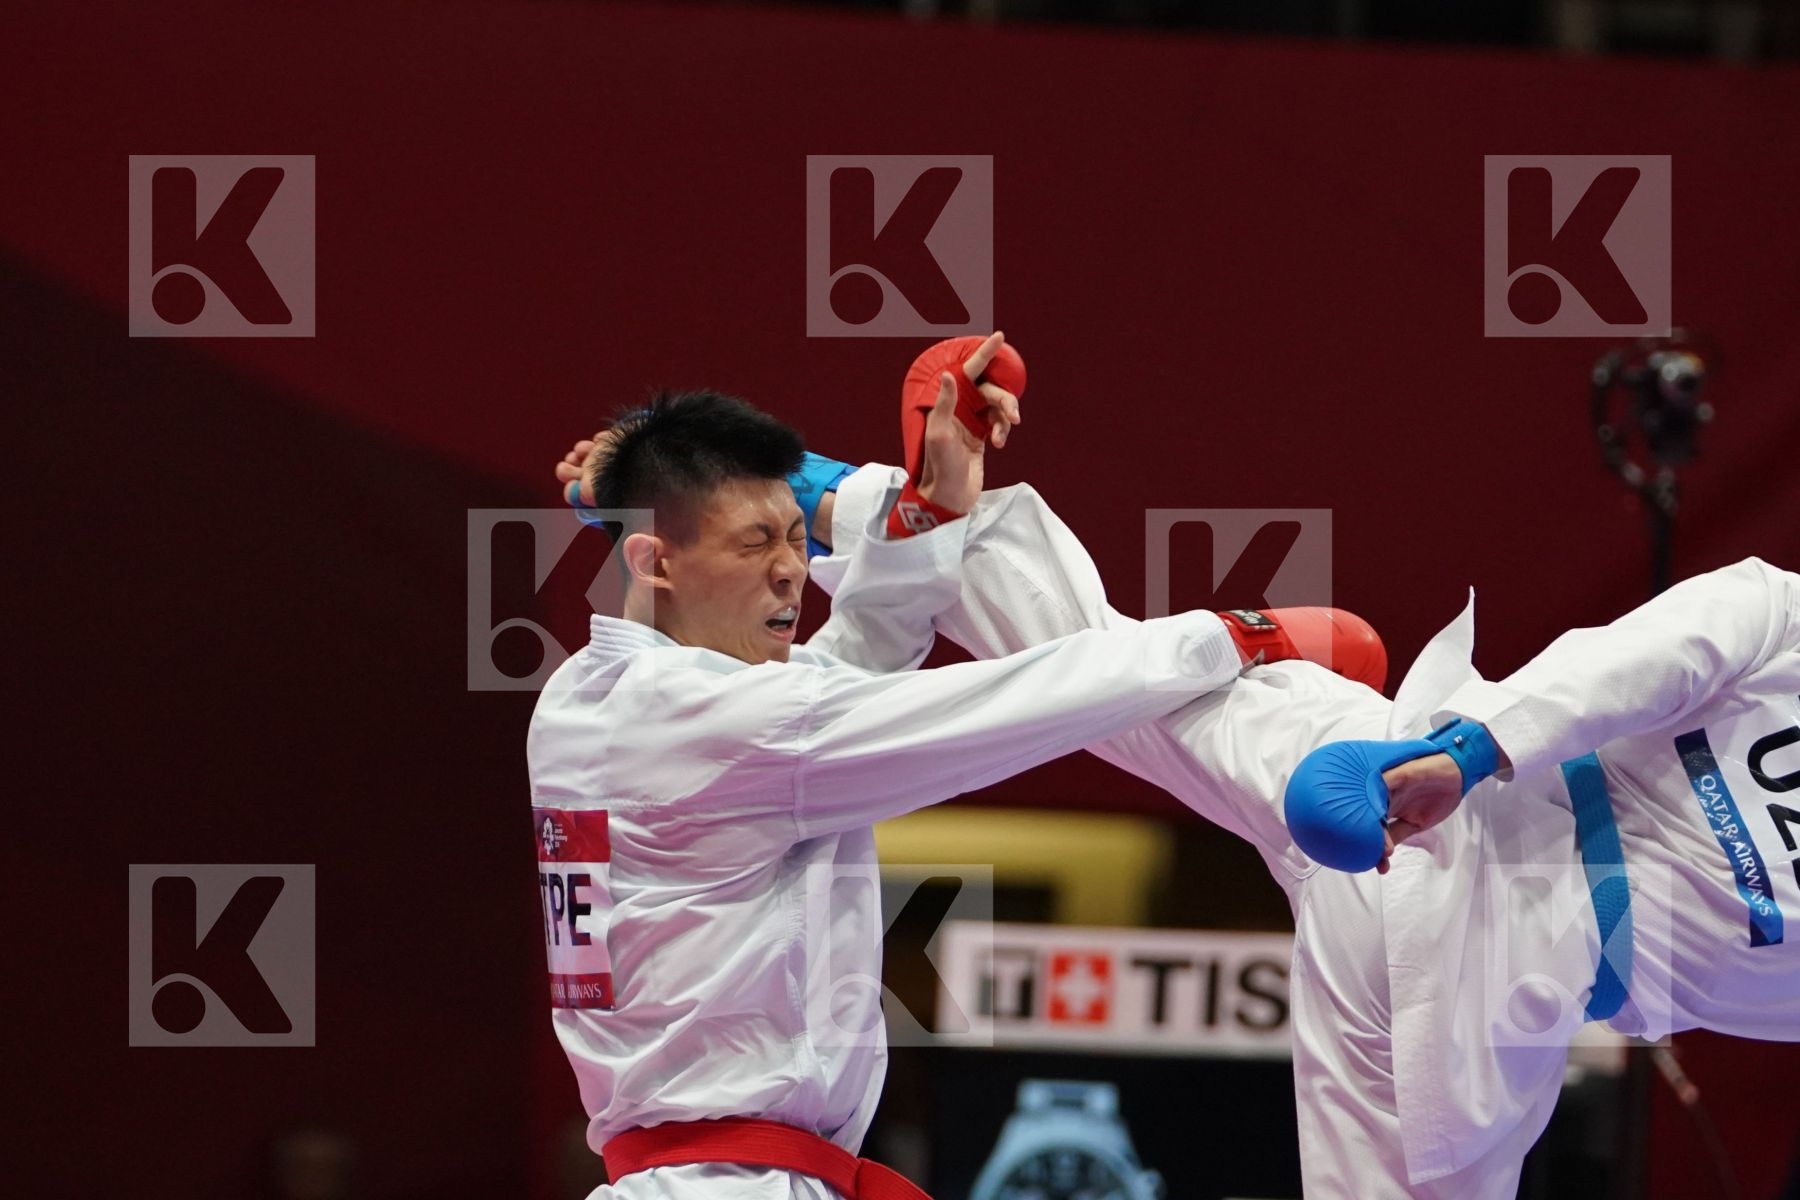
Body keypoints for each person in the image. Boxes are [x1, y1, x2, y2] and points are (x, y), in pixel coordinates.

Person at [794, 454, 1798, 1198]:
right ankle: (822, 495)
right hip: (1420, 797)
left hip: (1469, 957)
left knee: (1114, 667)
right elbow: (1693, 637)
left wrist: (1466, 751)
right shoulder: (1785, 617)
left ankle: (833, 496)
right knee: (1116, 674)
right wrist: (1469, 753)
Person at [528, 351, 1263, 1199]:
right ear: (658, 564)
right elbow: (994, 711)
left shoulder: (587, 700)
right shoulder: (712, 722)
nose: (792, 569)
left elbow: (833, 699)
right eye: (757, 541)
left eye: (800, 539)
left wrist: (928, 515)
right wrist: (1232, 636)